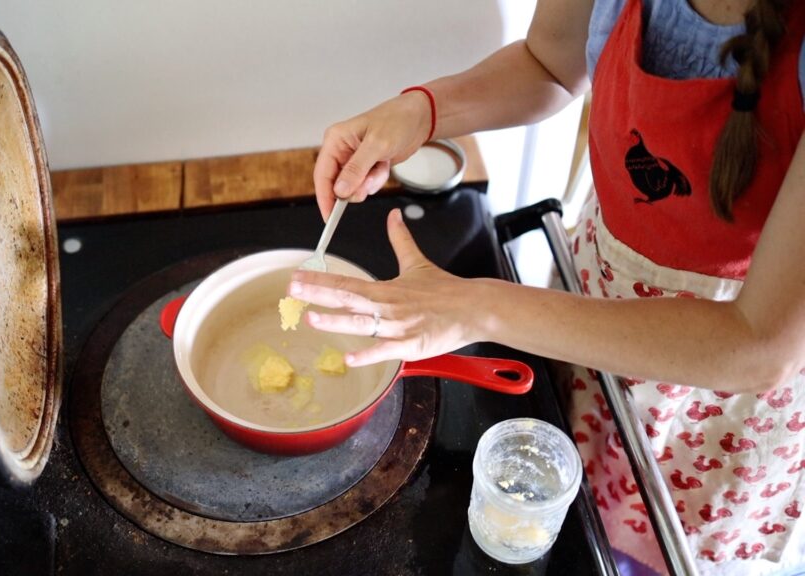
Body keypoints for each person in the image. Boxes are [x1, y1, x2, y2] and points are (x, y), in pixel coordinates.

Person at [287, 0, 805, 574]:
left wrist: (478, 305)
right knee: (569, 490)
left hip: (713, 402)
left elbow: (760, 344)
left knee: (655, 542)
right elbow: (549, 63)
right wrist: (421, 112)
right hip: (591, 299)